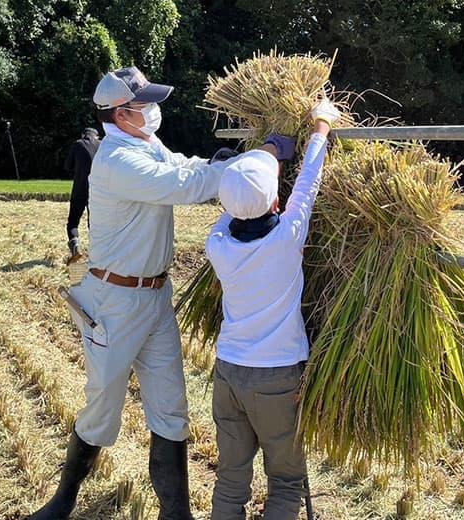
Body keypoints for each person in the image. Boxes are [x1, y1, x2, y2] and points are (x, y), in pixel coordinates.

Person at [28, 66, 287, 520]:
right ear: (122, 113)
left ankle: (176, 514)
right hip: (115, 303)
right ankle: (63, 500)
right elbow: (182, 186)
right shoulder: (117, 160)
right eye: (145, 103)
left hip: (155, 297)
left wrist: (218, 163)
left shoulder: (144, 143)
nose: (154, 110)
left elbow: (183, 167)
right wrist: (257, 160)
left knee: (171, 409)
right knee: (102, 408)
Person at [205, 97, 340, 520]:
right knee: (284, 485)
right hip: (276, 379)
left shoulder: (218, 244)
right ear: (276, 202)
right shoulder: (287, 238)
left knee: (230, 484)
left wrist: (263, 155)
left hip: (228, 374)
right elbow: (308, 183)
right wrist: (321, 125)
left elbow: (236, 207)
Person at [64, 127, 100, 263]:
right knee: (95, 223)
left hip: (80, 188)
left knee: (73, 221)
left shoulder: (77, 144)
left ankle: (76, 247)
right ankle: (96, 254)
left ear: (83, 135)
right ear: (96, 136)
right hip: (97, 190)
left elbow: (67, 166)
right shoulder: (102, 146)